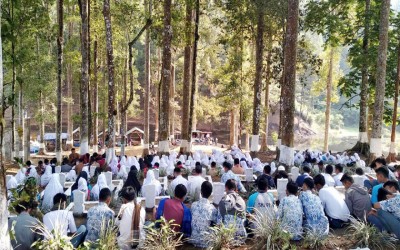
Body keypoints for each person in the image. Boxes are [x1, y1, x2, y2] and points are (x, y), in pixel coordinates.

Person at [217, 179, 247, 244]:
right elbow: (244, 219)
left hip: (226, 238)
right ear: (235, 188)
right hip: (241, 238)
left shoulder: (223, 200)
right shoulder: (241, 200)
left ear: (226, 188)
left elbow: (218, 223)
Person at [189, 181, 218, 248]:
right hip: (206, 243)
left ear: (201, 192)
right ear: (210, 194)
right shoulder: (212, 209)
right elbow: (216, 224)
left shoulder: (194, 205)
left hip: (193, 240)